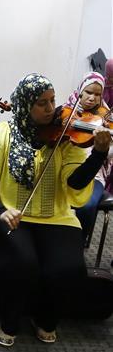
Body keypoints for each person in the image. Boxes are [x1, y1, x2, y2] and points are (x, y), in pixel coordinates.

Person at [0, 73, 110, 347]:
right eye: (42, 103)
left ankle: (45, 318)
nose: (51, 108)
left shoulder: (67, 138)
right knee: (22, 263)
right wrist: (0, 210)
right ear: (25, 104)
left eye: (53, 100)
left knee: (69, 268)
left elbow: (75, 183)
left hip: (56, 217)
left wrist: (98, 154)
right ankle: (9, 319)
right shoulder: (2, 133)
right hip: (2, 215)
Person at [64, 71, 112, 244]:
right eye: (89, 92)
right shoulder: (66, 111)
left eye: (97, 94)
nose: (92, 98)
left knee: (87, 205)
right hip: (65, 168)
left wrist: (103, 144)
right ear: (80, 91)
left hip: (95, 175)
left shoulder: (107, 118)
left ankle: (79, 241)